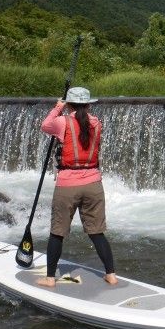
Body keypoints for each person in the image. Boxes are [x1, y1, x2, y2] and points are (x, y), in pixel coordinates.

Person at [35, 86, 118, 287]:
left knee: (58, 232)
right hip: (93, 183)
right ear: (89, 104)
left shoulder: (62, 122)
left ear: (69, 103)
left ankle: (49, 278)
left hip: (67, 184)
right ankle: (111, 274)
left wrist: (58, 107)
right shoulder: (97, 123)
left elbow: (45, 126)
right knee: (97, 232)